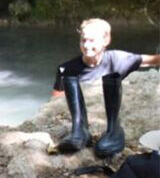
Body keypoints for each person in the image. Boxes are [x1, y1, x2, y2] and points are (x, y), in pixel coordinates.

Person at [51, 18, 159, 157]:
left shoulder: (118, 59)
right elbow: (55, 98)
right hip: (78, 118)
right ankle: (80, 130)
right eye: (83, 40)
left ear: (105, 41)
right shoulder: (66, 68)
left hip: (111, 108)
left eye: (92, 40)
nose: (86, 45)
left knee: (103, 149)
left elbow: (154, 60)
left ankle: (113, 130)